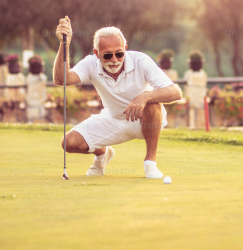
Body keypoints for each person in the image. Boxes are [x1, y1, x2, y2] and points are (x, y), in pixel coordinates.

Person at [53, 16, 182, 178]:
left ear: (125, 48)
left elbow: (176, 92)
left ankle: (150, 163)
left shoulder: (141, 60)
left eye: (119, 54)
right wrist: (64, 44)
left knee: (151, 101)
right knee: (69, 143)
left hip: (145, 121)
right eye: (107, 55)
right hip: (112, 119)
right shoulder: (91, 63)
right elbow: (61, 80)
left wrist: (143, 98)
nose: (114, 60)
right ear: (97, 53)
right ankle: (103, 154)